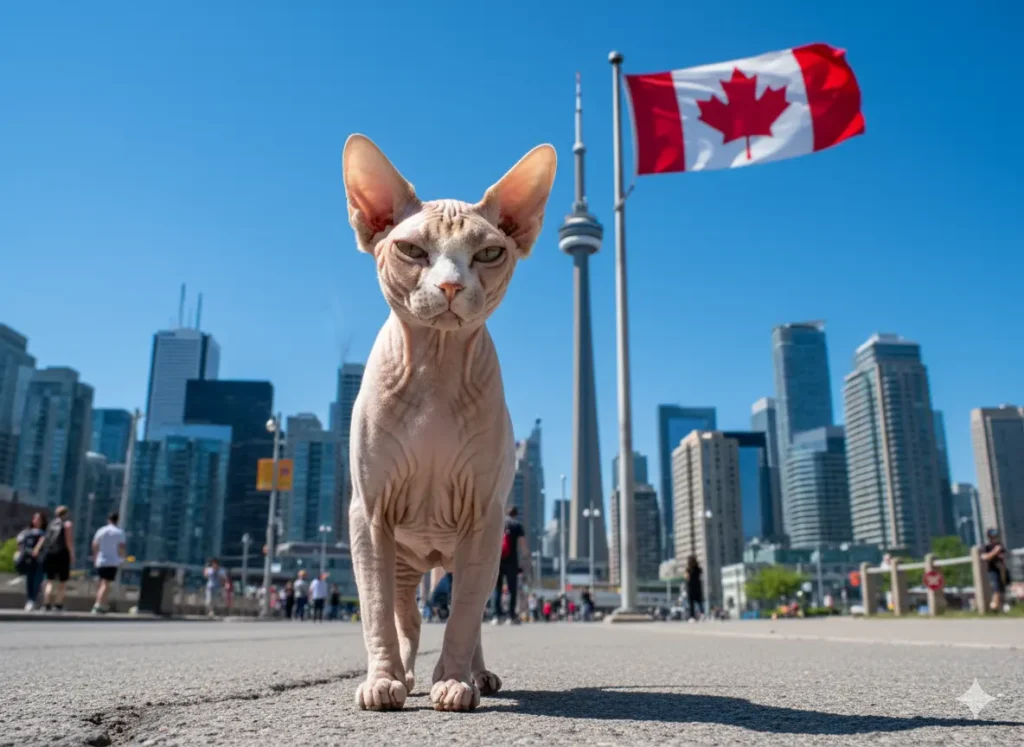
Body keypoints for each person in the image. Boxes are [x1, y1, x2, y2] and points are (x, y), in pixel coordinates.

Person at [492, 506, 528, 625]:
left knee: (497, 589)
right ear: (516, 514)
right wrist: (526, 558)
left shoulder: (498, 523)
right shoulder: (517, 525)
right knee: (512, 590)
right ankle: (511, 616)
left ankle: (496, 616)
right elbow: (523, 546)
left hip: (497, 561)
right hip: (512, 562)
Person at [90, 512, 126, 614]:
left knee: (102, 583)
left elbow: (94, 544)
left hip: (101, 560)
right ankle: (98, 605)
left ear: (108, 519)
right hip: (112, 561)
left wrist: (95, 557)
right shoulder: (119, 532)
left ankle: (103, 604)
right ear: (117, 520)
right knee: (106, 584)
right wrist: (123, 559)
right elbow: (121, 547)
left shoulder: (101, 530)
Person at [41, 506, 75, 612]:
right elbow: (69, 541)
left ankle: (46, 604)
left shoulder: (51, 524)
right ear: (66, 514)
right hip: (62, 554)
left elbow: (46, 539)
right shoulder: (67, 524)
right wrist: (72, 554)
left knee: (49, 580)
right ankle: (58, 605)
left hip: (50, 553)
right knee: (62, 581)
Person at [15, 511, 47, 611]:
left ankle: (34, 600)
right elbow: (20, 543)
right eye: (35, 518)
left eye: (39, 519)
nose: (36, 521)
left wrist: (37, 549)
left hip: (39, 560)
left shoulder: (44, 533)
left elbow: (44, 543)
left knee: (37, 581)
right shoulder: (26, 532)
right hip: (28, 559)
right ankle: (30, 600)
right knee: (30, 580)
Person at [982, 528, 1011, 612]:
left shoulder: (1000, 546)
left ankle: (1001, 607)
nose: (995, 538)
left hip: (1002, 570)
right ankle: (994, 607)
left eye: (996, 536)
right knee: (996, 589)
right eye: (993, 537)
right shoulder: (987, 547)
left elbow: (1005, 555)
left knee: (1003, 589)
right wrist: (995, 552)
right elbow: (984, 557)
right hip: (992, 570)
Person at [685, 555, 705, 621]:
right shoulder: (698, 568)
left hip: (691, 588)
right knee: (699, 602)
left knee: (691, 603)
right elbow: (701, 575)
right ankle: (702, 614)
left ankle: (692, 617)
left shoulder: (688, 569)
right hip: (698, 587)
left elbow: (687, 578)